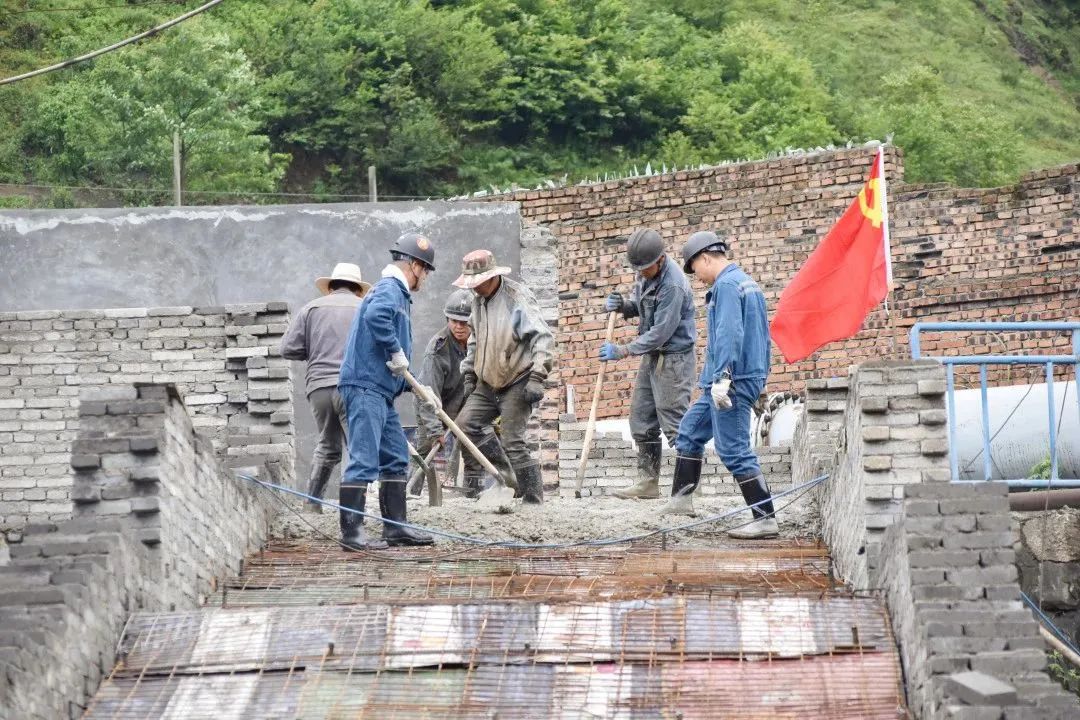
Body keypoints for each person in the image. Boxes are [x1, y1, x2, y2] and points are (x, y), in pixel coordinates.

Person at [663, 229, 779, 539]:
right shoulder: (747, 283)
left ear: (705, 258)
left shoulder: (726, 286)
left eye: (695, 269)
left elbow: (729, 333)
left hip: (730, 381)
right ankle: (680, 502)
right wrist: (761, 383)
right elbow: (762, 336)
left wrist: (724, 377)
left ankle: (765, 517)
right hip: (735, 377)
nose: (696, 277)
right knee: (690, 432)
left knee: (733, 448)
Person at [337, 232, 439, 549]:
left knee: (395, 457)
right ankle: (352, 534)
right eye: (425, 270)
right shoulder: (390, 288)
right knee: (364, 460)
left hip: (381, 392)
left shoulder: (399, 295)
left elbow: (397, 366)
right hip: (366, 388)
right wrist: (395, 349)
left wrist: (420, 388)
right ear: (415, 266)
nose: (425, 277)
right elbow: (375, 316)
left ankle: (395, 528)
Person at [598, 228, 696, 499]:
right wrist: (624, 306)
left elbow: (660, 332)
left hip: (674, 360)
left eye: (645, 268)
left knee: (675, 425)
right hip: (652, 357)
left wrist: (622, 350)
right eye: (637, 268)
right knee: (641, 420)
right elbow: (642, 308)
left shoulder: (674, 285)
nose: (640, 273)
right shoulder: (645, 273)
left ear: (660, 259)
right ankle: (648, 483)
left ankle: (688, 488)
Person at [453, 249, 553, 504]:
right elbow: (475, 340)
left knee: (513, 440)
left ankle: (533, 499)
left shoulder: (515, 298)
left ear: (491, 276)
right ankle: (507, 474)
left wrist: (538, 376)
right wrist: (469, 373)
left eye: (477, 282)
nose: (473, 287)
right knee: (465, 424)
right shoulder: (477, 301)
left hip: (517, 378)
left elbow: (542, 336)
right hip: (487, 381)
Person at [280, 263, 370, 513]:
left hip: (318, 388)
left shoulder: (310, 309)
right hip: (353, 387)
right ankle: (351, 511)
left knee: (327, 445)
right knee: (355, 447)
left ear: (330, 287)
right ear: (358, 289)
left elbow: (287, 349)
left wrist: (316, 350)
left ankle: (312, 504)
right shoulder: (365, 308)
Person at [413, 289, 474, 485]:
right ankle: (412, 492)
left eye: (464, 322)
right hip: (432, 405)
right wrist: (435, 429)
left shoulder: (480, 342)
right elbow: (426, 393)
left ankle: (474, 494)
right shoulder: (437, 348)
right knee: (425, 450)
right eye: (454, 321)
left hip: (463, 406)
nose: (459, 327)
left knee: (473, 449)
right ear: (447, 319)